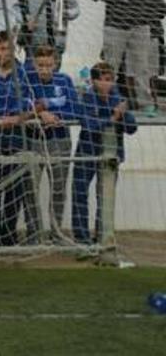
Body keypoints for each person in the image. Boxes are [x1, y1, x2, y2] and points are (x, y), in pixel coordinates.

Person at [89, 0, 166, 116]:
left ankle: (145, 103)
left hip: (139, 26)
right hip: (115, 26)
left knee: (141, 67)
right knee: (110, 66)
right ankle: (107, 101)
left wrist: (133, 0)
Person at [0, 30, 35, 246]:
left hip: (15, 138)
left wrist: (13, 119)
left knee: (14, 189)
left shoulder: (24, 73)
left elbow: (30, 107)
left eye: (6, 48)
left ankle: (8, 233)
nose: (2, 53)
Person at [72, 62, 137, 244]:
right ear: (94, 81)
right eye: (106, 80)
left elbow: (132, 128)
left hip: (110, 156)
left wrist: (122, 115)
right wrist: (113, 117)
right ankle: (82, 240)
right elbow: (89, 125)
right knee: (79, 194)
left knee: (105, 196)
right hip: (87, 152)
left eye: (112, 79)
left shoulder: (118, 98)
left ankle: (103, 237)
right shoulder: (86, 97)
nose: (110, 83)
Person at [27, 45, 80, 237]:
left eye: (48, 65)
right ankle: (35, 233)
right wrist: (41, 113)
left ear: (55, 63)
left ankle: (57, 233)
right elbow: (21, 105)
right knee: (30, 190)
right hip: (33, 141)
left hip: (60, 140)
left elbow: (76, 109)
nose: (44, 69)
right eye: (40, 65)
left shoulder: (64, 80)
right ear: (34, 64)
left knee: (58, 189)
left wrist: (54, 115)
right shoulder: (27, 80)